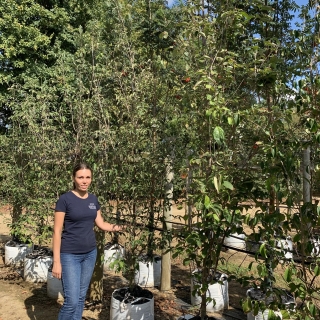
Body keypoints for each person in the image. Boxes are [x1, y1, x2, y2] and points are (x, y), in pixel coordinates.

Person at [52, 162, 123, 320]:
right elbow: (57, 231)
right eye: (80, 177)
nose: (84, 181)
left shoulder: (93, 199)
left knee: (80, 298)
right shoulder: (65, 200)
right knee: (71, 301)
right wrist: (56, 261)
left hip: (90, 254)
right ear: (74, 178)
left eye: (88, 177)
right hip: (70, 255)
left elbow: (101, 223)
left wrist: (120, 227)